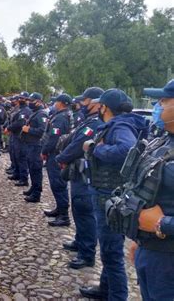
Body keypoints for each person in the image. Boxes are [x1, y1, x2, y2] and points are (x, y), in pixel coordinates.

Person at [79, 88, 148, 300]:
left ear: (105, 107)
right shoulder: (116, 124)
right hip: (106, 193)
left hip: (109, 196)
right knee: (109, 250)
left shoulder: (120, 125)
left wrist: (95, 149)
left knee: (112, 253)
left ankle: (117, 296)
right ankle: (105, 290)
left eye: (100, 105)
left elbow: (126, 149)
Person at [120, 80, 174, 300]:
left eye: (164, 101)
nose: (157, 106)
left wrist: (163, 225)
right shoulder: (163, 142)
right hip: (151, 252)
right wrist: (139, 240)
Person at [56, 87, 104, 269]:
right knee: (78, 209)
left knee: (85, 212)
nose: (81, 104)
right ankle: (80, 241)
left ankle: (87, 253)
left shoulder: (95, 124)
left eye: (84, 101)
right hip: (78, 171)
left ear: (96, 102)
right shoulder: (89, 120)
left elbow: (78, 145)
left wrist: (61, 158)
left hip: (86, 174)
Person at [42, 93, 73, 227]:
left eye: (56, 102)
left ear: (61, 103)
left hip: (55, 153)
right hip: (56, 152)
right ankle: (59, 209)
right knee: (56, 184)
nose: (54, 104)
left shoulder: (60, 118)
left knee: (58, 184)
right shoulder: (62, 115)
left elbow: (53, 138)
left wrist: (45, 151)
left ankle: (64, 216)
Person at [20, 92, 48, 203]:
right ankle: (33, 187)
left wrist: (28, 130)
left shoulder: (41, 114)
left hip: (36, 146)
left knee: (36, 169)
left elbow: (42, 131)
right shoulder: (35, 112)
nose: (29, 102)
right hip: (30, 145)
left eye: (32, 101)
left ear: (39, 101)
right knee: (31, 168)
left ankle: (37, 193)